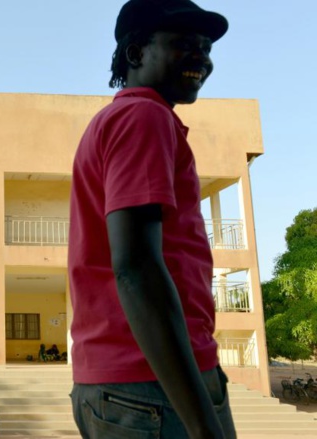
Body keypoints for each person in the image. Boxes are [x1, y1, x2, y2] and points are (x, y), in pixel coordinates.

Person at [68, 1, 236, 437]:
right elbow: (136, 267)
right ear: (136, 53)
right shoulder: (144, 116)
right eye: (184, 44)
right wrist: (203, 423)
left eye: (205, 47)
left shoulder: (122, 119)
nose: (202, 57)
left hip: (127, 387)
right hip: (151, 388)